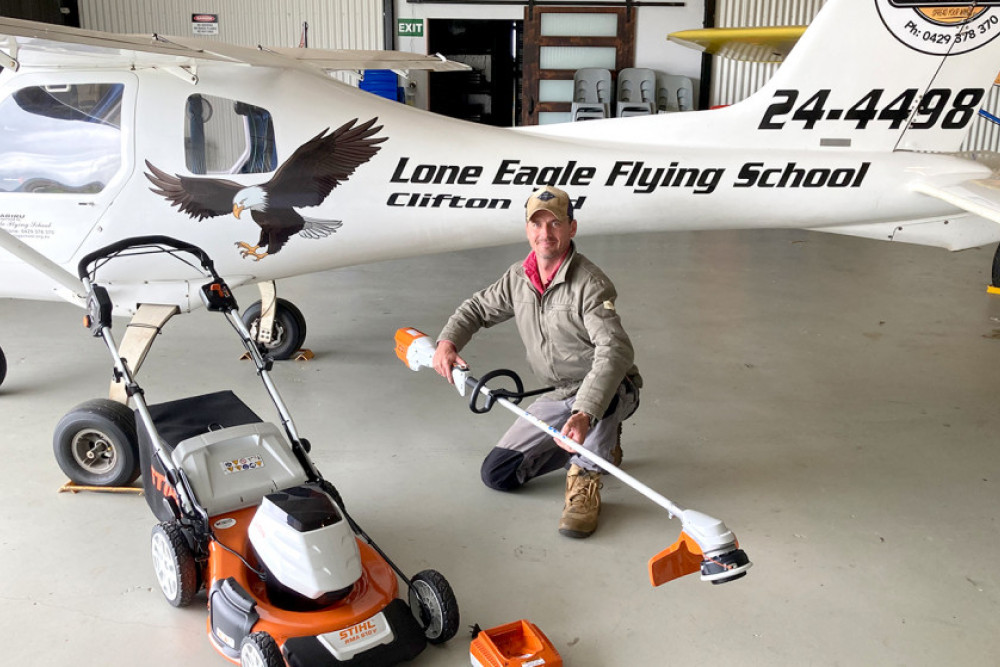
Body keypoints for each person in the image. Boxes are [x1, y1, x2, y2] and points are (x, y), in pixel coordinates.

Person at [433, 185, 641, 538]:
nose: (546, 234)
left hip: (606, 390)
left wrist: (584, 412)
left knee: (599, 403)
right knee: (498, 474)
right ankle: (600, 447)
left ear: (571, 228)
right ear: (527, 229)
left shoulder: (590, 284)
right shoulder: (520, 277)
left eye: (555, 224)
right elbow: (478, 308)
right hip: (559, 393)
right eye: (537, 224)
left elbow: (614, 351)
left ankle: (585, 475)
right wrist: (448, 341)